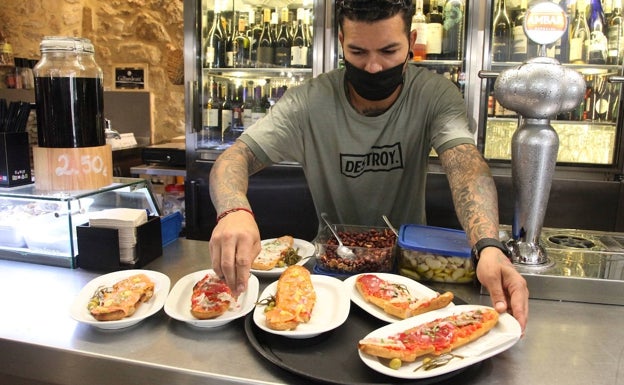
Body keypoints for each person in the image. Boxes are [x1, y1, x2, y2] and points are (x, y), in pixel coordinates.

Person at [208, 0, 529, 332]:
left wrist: (488, 246)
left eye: (389, 51)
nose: (374, 67)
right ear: (341, 44)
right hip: (330, 271)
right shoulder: (308, 101)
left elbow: (466, 166)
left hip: (409, 272)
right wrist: (234, 211)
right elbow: (235, 158)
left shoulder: (434, 94)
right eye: (358, 53)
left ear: (411, 41)